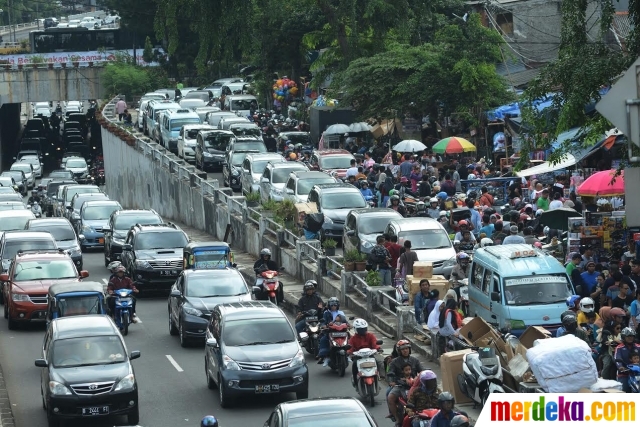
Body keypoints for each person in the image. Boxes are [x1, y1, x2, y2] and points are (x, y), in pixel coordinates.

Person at [387, 340, 424, 426]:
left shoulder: (415, 360)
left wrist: (417, 378)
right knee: (390, 396)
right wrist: (392, 382)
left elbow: (422, 371)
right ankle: (396, 417)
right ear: (399, 351)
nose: (405, 350)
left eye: (407, 348)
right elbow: (390, 374)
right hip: (400, 385)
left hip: (414, 385)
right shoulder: (394, 361)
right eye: (403, 349)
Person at [348, 318, 380, 386]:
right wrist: (349, 351)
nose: (363, 331)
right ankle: (355, 380)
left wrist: (378, 348)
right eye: (360, 329)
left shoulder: (370, 336)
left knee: (377, 362)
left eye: (364, 329)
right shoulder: (353, 339)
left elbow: (375, 343)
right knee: (354, 365)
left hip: (369, 355)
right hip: (358, 357)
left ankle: (378, 376)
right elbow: (350, 347)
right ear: (356, 329)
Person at [317, 297, 346, 366]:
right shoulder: (326, 313)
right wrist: (324, 326)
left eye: (335, 305)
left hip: (341, 332)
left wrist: (349, 325)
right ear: (329, 306)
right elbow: (323, 322)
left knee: (349, 337)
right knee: (323, 339)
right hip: (330, 332)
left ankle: (349, 355)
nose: (333, 307)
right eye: (332, 305)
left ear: (337, 305)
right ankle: (325, 356)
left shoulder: (341, 313)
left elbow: (345, 321)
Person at [614, 327, 640, 392]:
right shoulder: (619, 348)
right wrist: (621, 367)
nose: (630, 338)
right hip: (624, 373)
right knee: (624, 391)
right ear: (623, 337)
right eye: (628, 336)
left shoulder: (638, 346)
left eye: (632, 336)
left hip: (637, 373)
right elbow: (617, 358)